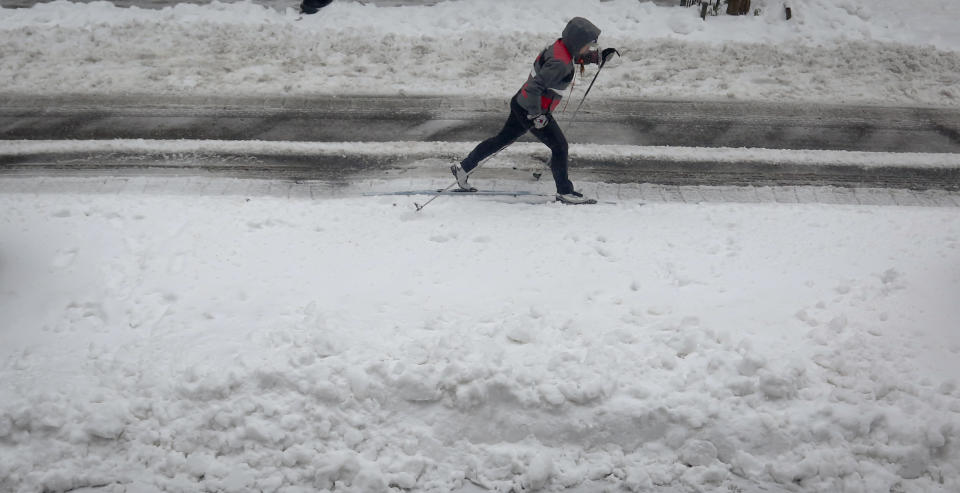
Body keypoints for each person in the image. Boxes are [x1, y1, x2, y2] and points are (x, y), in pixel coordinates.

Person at [450, 17, 609, 204]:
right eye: (587, 46)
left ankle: (464, 167)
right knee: (560, 146)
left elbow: (570, 57)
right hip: (532, 109)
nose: (588, 49)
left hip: (521, 103)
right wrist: (536, 115)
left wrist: (593, 58)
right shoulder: (559, 64)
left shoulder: (560, 46)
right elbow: (534, 88)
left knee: (501, 140)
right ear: (577, 42)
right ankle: (565, 192)